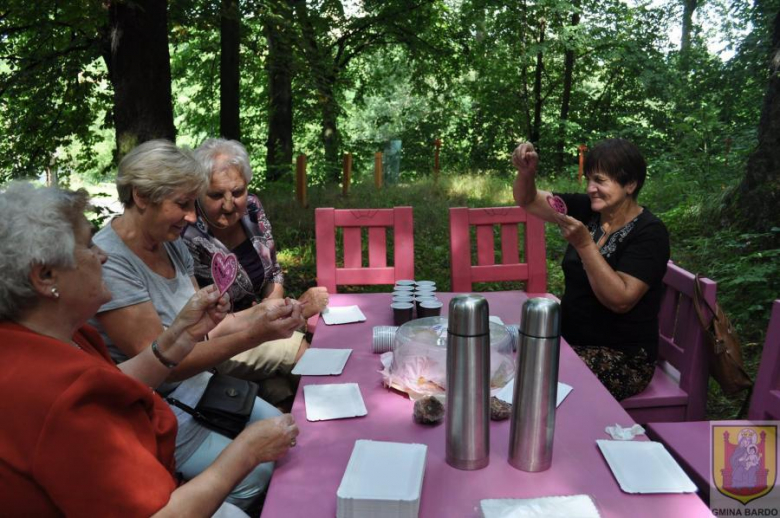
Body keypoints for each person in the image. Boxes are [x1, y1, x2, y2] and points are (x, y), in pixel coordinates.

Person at [0, 182, 299, 517]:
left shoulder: (50, 337)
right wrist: (247, 451)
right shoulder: (64, 397)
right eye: (87, 245)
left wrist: (180, 336)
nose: (103, 254)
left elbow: (115, 378)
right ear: (45, 276)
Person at [91, 139, 305, 512]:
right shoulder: (112, 262)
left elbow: (203, 328)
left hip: (202, 390)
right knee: (257, 472)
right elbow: (165, 362)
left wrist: (263, 315)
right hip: (159, 413)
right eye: (183, 204)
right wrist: (256, 334)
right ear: (142, 197)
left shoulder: (170, 243)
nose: (193, 218)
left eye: (193, 203)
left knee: (287, 433)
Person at [512, 138, 670, 400]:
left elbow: (620, 300)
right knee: (504, 354)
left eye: (600, 181)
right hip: (569, 341)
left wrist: (585, 244)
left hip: (621, 357)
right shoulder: (588, 209)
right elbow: (528, 200)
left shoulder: (650, 233)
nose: (590, 188)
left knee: (529, 376)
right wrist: (526, 173)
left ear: (630, 184)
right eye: (588, 180)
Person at [182, 138, 329, 404]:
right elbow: (201, 326)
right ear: (197, 192)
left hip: (262, 327)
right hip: (218, 341)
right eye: (216, 195)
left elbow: (273, 272)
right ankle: (339, 416)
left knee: (281, 389)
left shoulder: (252, 208)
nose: (229, 204)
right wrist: (269, 315)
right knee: (304, 355)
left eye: (237, 192)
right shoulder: (186, 233)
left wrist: (273, 310)